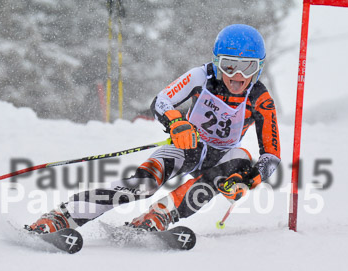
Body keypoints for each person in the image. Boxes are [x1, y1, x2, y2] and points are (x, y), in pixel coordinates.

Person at [26, 24, 281, 234]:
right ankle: (63, 216)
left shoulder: (260, 98)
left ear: (259, 67)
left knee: (240, 159)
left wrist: (249, 179)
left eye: (248, 67)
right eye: (229, 65)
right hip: (187, 146)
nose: (238, 76)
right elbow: (161, 101)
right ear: (216, 62)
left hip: (222, 157)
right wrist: (176, 122)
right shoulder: (200, 77)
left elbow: (271, 155)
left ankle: (159, 216)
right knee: (142, 185)